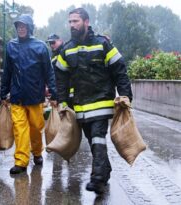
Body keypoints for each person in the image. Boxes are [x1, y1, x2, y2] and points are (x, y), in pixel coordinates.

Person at [55, 8, 133, 194]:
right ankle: (105, 170)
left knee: (98, 137)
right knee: (93, 141)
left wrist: (125, 95)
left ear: (86, 22)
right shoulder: (66, 49)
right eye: (70, 22)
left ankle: (97, 178)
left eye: (76, 21)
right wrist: (62, 101)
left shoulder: (102, 44)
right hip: (80, 107)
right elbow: (61, 78)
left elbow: (119, 69)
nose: (72, 25)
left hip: (101, 104)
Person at [0, 14, 58, 175]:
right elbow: (7, 71)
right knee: (20, 129)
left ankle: (37, 152)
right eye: (18, 26)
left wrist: (53, 93)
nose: (21, 28)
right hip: (17, 97)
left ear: (30, 27)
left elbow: (49, 72)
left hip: (35, 97)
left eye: (24, 25)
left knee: (35, 128)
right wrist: (3, 92)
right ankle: (21, 161)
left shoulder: (40, 47)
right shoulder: (11, 46)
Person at [46, 34, 74, 108]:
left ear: (60, 41)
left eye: (53, 42)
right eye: (50, 43)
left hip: (70, 92)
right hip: (60, 93)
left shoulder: (66, 52)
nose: (51, 45)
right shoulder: (53, 57)